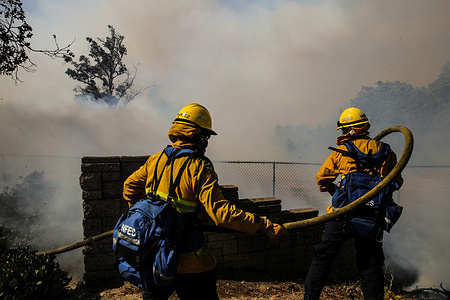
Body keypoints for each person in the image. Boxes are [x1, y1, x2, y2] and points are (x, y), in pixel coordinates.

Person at [123, 103, 289, 300]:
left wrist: (150, 217)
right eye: (205, 136)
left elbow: (129, 187)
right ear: (196, 134)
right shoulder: (199, 167)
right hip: (190, 262)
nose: (206, 141)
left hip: (155, 256)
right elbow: (222, 214)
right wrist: (264, 225)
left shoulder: (155, 160)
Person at [303, 107, 403, 300]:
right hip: (372, 216)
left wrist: (337, 190)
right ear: (364, 127)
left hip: (342, 214)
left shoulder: (341, 151)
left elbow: (322, 180)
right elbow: (397, 182)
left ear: (349, 130)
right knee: (370, 264)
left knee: (323, 258)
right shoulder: (386, 151)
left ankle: (310, 298)